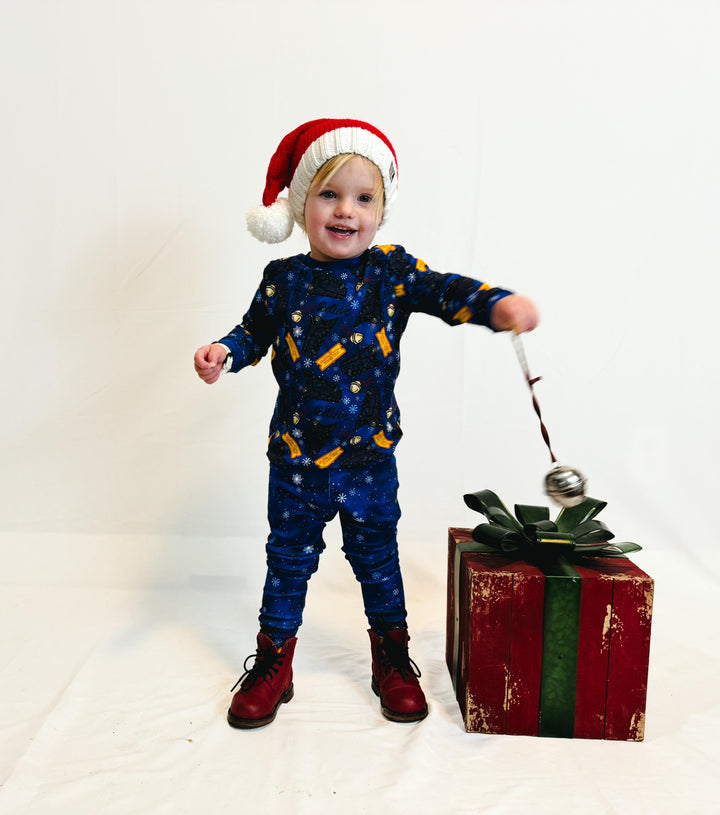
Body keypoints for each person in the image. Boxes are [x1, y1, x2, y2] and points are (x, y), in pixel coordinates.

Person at [194, 118, 539, 729]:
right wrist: (225, 351)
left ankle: (392, 660)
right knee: (287, 562)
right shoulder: (283, 280)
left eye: (363, 197)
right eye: (329, 194)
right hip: (296, 460)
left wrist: (494, 304)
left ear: (382, 210)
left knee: (378, 561)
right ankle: (274, 663)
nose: (345, 210)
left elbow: (443, 290)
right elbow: (253, 332)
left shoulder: (390, 273)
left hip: (369, 460)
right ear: (300, 205)